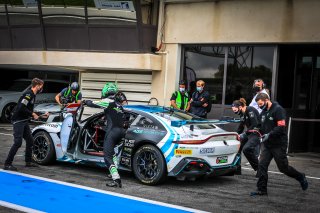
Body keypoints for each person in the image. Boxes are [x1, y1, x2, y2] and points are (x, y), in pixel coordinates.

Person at [251, 93, 308, 196]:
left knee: (283, 168)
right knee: (262, 165)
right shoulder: (263, 112)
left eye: (261, 104)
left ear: (267, 100)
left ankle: (300, 176)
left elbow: (281, 127)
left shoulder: (278, 109)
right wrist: (251, 131)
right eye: (258, 105)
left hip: (279, 144)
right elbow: (259, 125)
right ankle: (262, 190)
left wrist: (269, 134)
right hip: (267, 145)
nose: (259, 107)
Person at [85, 92, 129, 188]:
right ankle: (114, 171)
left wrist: (85, 101)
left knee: (107, 156)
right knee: (112, 153)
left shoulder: (108, 103)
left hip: (112, 132)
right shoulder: (121, 108)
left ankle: (116, 179)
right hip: (122, 133)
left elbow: (92, 103)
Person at [3, 78, 48, 171]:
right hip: (18, 120)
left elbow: (28, 110)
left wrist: (41, 115)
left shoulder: (33, 95)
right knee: (18, 142)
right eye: (41, 86)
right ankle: (7, 164)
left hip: (24, 120)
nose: (42, 88)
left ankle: (28, 161)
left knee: (30, 140)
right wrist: (32, 114)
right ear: (37, 85)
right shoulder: (28, 94)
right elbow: (21, 107)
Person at [231, 98, 260, 173]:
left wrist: (245, 133)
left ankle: (259, 169)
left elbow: (255, 124)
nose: (235, 112)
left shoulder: (250, 109)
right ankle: (237, 169)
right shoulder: (242, 114)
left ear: (240, 107)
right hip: (249, 133)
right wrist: (236, 135)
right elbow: (241, 126)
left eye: (235, 110)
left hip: (257, 133)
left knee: (246, 149)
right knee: (237, 147)